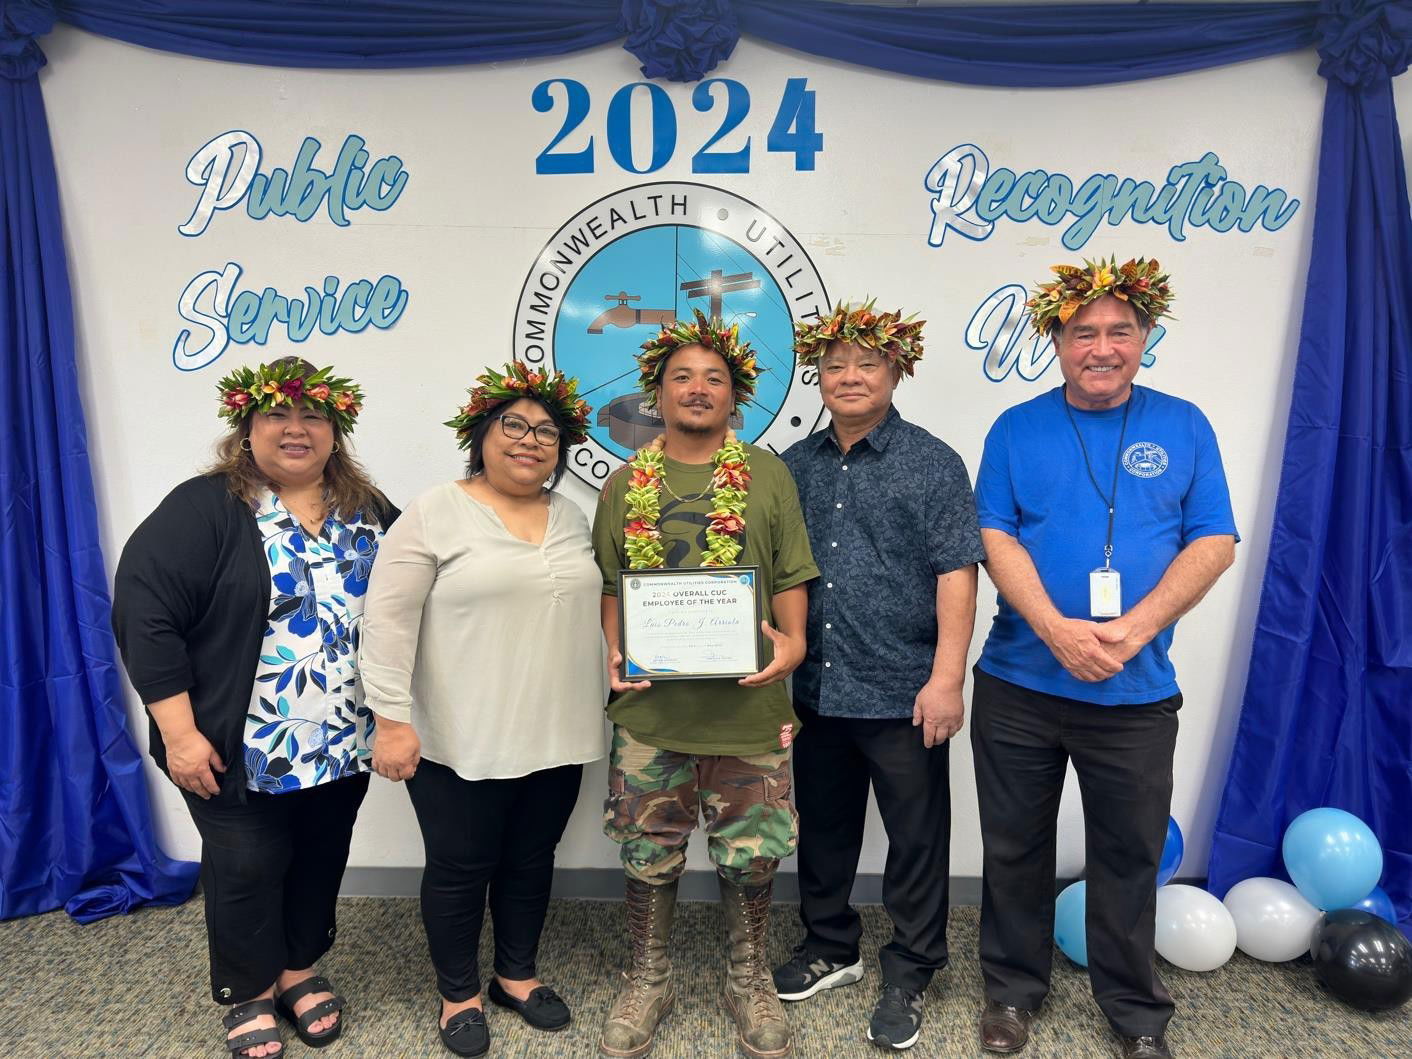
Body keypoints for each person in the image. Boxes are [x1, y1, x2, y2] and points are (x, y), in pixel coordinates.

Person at [972, 259, 1237, 1059]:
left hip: (1137, 688)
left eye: (1119, 330)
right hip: (1020, 683)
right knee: (1014, 846)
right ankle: (1013, 994)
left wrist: (1132, 629)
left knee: (1128, 854)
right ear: (1057, 341)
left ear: (1145, 338)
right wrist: (1054, 626)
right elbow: (995, 534)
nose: (1101, 346)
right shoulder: (1016, 428)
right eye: (1083, 331)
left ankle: (1134, 1012)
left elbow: (1214, 540)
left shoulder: (1185, 424)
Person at [112, 358, 397, 1058]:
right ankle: (249, 991)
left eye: (314, 416)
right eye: (278, 415)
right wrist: (178, 733)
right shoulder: (207, 507)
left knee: (321, 855)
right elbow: (145, 613)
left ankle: (298, 968)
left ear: (338, 430)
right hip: (235, 741)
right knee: (245, 864)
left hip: (342, 739)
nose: (296, 429)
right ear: (248, 427)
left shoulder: (368, 511)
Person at [360, 362, 605, 1059]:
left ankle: (516, 976)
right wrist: (390, 716)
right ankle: (459, 993)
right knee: (461, 865)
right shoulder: (436, 509)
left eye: (547, 432)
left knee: (532, 858)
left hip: (559, 729)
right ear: (481, 434)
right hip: (460, 734)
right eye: (515, 426)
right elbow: (387, 619)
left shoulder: (570, 515)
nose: (531, 441)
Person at [592, 309, 818, 1059]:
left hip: (750, 705)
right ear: (657, 395)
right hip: (652, 711)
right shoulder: (627, 482)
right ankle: (648, 975)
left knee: (752, 852)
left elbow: (790, 574)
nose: (697, 389)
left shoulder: (768, 474)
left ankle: (746, 975)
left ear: (736, 397)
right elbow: (613, 583)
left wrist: (793, 647)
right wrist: (617, 649)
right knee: (646, 849)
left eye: (713, 378)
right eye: (681, 377)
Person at [774, 300, 984, 1051]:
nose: (850, 376)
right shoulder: (792, 466)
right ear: (818, 378)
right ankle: (830, 944)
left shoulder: (932, 462)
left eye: (867, 363)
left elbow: (958, 572)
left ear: (897, 370)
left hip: (904, 688)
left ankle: (913, 966)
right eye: (835, 366)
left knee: (916, 838)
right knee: (824, 830)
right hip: (818, 690)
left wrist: (947, 676)